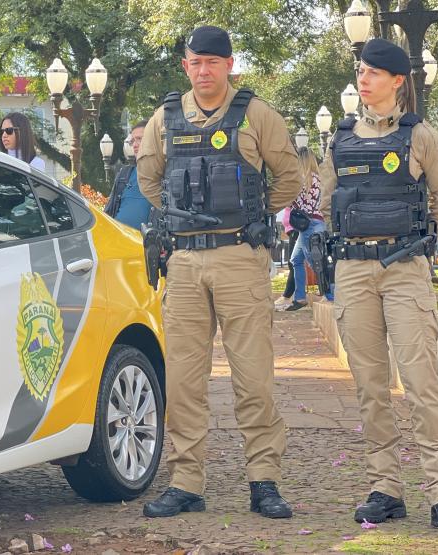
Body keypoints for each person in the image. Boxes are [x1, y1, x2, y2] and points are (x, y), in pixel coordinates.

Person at [137, 25, 303, 519]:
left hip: (239, 257)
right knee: (184, 380)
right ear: (185, 66)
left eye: (213, 62)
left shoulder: (256, 114)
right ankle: (186, 482)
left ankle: (264, 481)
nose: (204, 70)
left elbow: (289, 177)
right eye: (196, 62)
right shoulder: (165, 118)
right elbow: (149, 179)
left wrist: (251, 215)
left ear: (230, 65)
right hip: (184, 262)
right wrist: (185, 219)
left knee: (253, 377)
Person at [319, 38, 438, 534]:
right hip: (354, 270)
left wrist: (416, 241)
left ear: (397, 81)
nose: (363, 79)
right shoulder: (340, 138)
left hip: (405, 268)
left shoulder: (420, 135)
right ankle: (385, 488)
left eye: (373, 72)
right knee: (370, 387)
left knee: (422, 384)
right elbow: (325, 202)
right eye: (360, 71)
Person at [285, 147, 333, 310]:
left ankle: (330, 295)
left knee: (315, 262)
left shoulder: (301, 180)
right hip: (318, 222)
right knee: (297, 259)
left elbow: (290, 200)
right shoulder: (319, 179)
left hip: (308, 225)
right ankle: (300, 297)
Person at [105, 121, 154, 229]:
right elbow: (109, 211)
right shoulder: (125, 174)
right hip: (118, 237)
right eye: (132, 141)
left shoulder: (165, 174)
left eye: (139, 139)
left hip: (149, 239)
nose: (135, 145)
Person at [274, 208, 299, 311]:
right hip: (294, 229)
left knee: (294, 264)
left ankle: (287, 296)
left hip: (298, 228)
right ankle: (291, 296)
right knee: (294, 264)